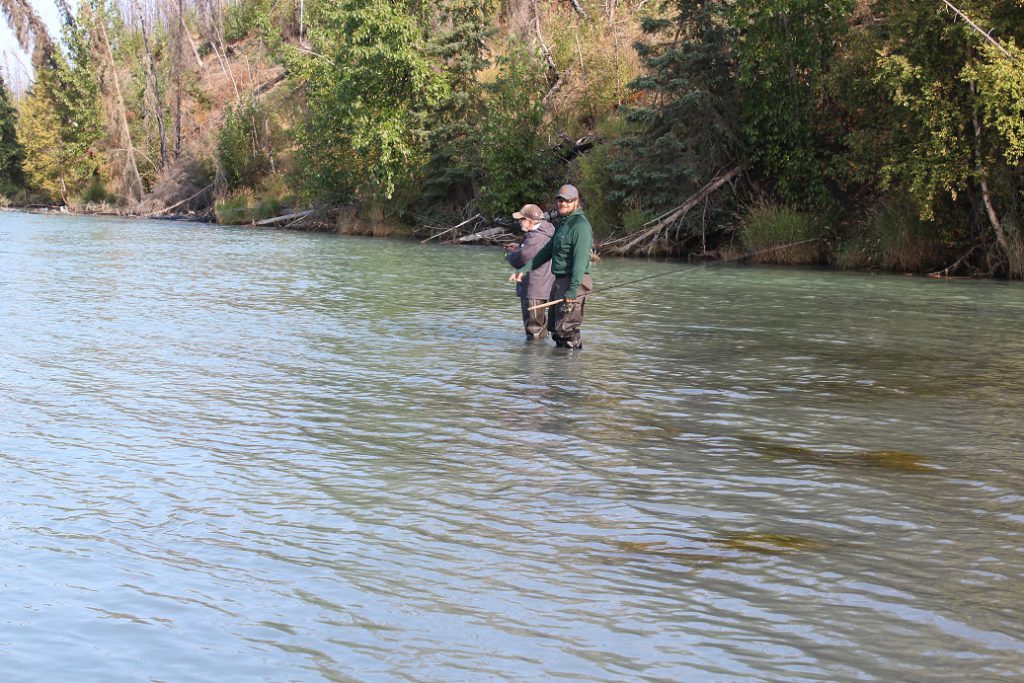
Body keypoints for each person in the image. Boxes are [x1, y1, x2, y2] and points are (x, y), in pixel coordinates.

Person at [515, 184, 593, 349]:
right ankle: (556, 373)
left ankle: (571, 370)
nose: (563, 203)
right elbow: (546, 252)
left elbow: (579, 262)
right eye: (560, 200)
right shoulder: (563, 224)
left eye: (568, 200)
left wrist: (572, 290)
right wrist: (525, 269)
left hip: (574, 283)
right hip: (559, 283)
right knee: (555, 330)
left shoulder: (580, 225)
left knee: (566, 330)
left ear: (576, 201)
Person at [505, 204, 555, 340]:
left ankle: (533, 359)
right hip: (544, 287)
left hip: (533, 289)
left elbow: (520, 259)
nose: (519, 222)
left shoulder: (534, 239)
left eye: (522, 219)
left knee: (534, 331)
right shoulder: (547, 231)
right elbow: (530, 251)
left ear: (531, 222)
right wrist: (520, 246)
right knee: (540, 328)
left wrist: (508, 255)